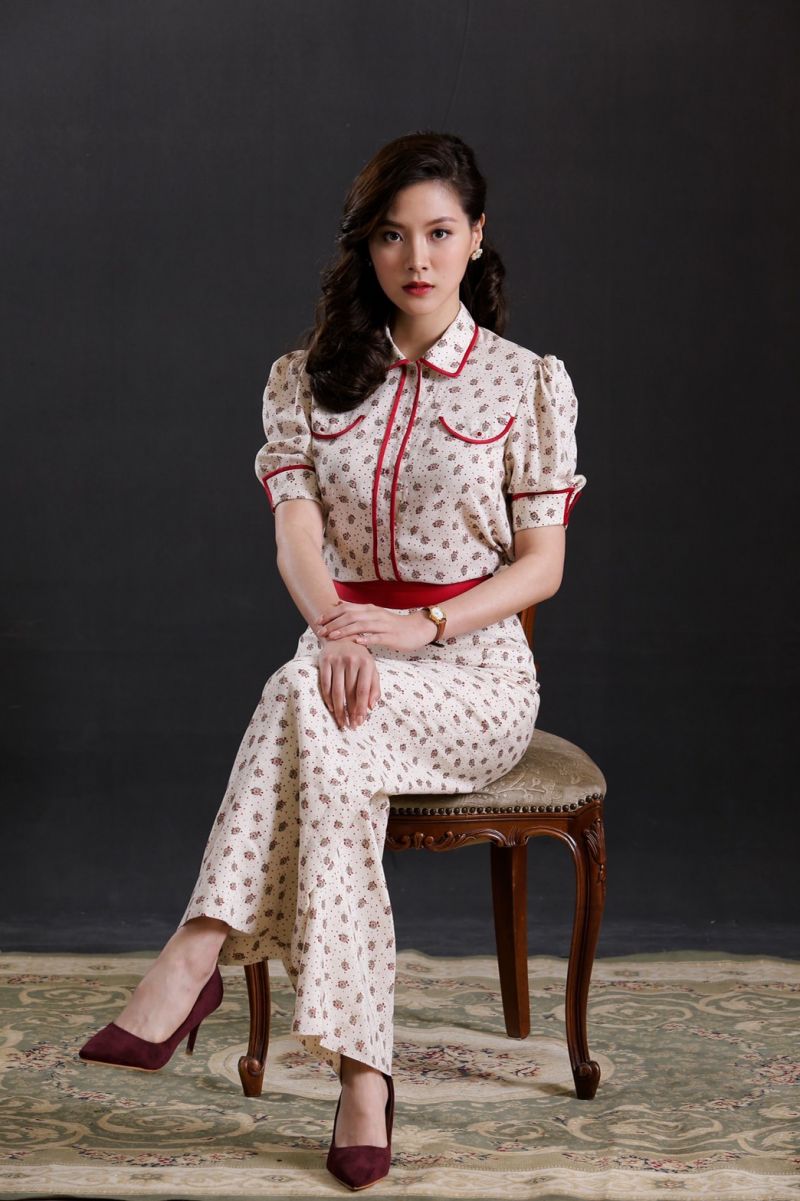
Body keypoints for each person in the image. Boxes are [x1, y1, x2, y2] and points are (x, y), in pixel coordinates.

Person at [78, 129, 587, 1191]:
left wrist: (423, 627)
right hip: (344, 661)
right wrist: (338, 627)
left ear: (476, 237)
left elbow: (540, 567)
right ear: (366, 246)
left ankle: (198, 950)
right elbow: (296, 540)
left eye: (439, 233)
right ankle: (363, 1075)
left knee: (300, 692)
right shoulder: (304, 380)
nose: (417, 257)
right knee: (325, 732)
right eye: (393, 235)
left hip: (472, 676)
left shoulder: (525, 383)